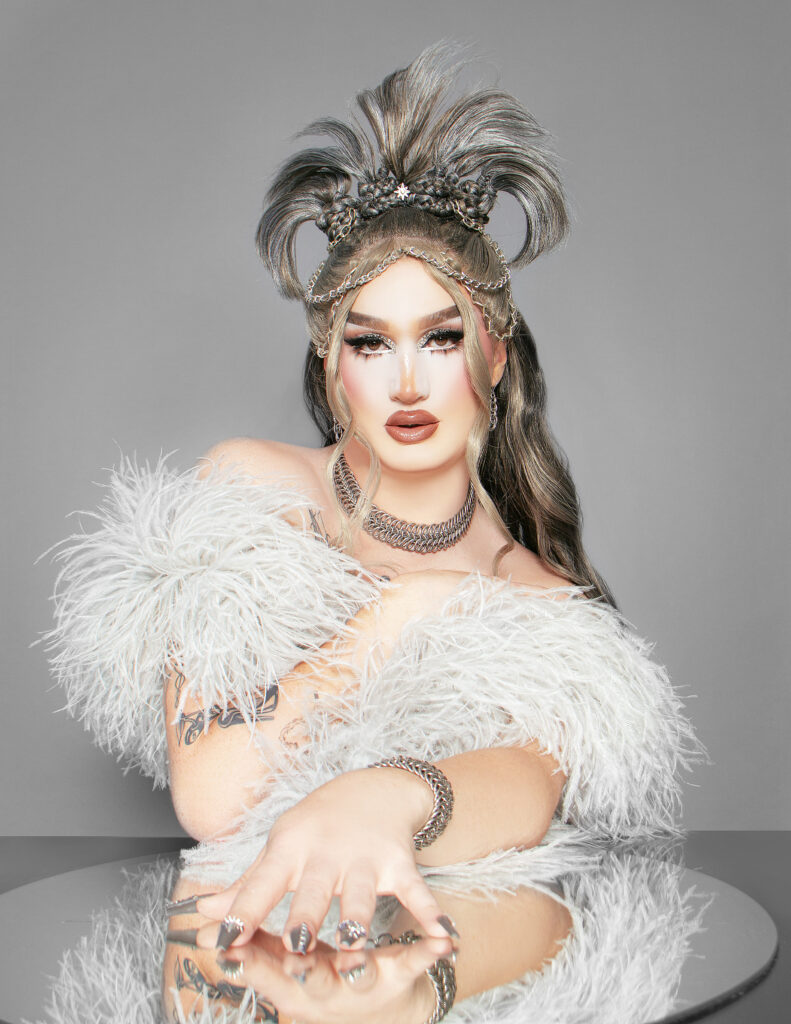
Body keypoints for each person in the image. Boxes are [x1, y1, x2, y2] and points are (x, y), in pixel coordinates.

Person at [44, 43, 702, 1018]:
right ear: (329, 366)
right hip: (230, 970)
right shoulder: (255, 494)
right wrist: (405, 610)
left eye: (439, 337)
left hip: (424, 977)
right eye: (369, 341)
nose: (404, 380)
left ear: (493, 356)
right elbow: (216, 797)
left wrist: (387, 797)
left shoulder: (538, 594)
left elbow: (525, 792)